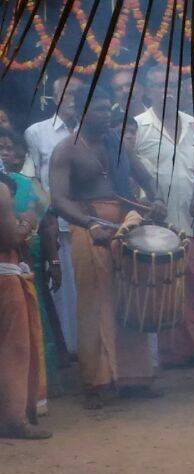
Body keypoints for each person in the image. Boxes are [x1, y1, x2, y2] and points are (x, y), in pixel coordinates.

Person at [48, 82, 162, 409]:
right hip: (89, 227)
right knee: (95, 303)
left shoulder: (116, 144)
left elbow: (146, 178)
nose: (106, 115)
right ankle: (96, 382)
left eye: (108, 108)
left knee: (129, 298)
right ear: (82, 112)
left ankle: (134, 378)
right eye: (99, 109)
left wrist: (155, 200)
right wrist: (91, 224)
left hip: (125, 226)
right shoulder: (66, 150)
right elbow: (58, 198)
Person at [132, 60, 194, 368]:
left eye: (170, 86)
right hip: (156, 223)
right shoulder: (139, 125)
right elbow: (131, 170)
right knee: (160, 286)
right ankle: (164, 355)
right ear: (147, 90)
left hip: (191, 219)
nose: (166, 92)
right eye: (158, 85)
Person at [1, 129, 60, 404]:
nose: (4, 152)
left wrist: (55, 260)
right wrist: (24, 225)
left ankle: (42, 388)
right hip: (9, 267)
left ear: (18, 154)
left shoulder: (31, 185)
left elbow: (48, 224)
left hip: (29, 265)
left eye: (8, 147)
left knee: (38, 326)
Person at [23, 73, 81, 353]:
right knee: (62, 287)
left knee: (88, 287)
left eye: (77, 95)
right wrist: (43, 217)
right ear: (56, 98)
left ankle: (89, 347)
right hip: (54, 222)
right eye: (67, 94)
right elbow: (32, 178)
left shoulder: (89, 132)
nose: (72, 100)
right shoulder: (37, 132)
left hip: (88, 220)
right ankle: (68, 349)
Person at [0, 168, 49, 438]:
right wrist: (28, 222)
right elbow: (9, 239)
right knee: (14, 349)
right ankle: (14, 420)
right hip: (3, 278)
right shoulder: (1, 190)